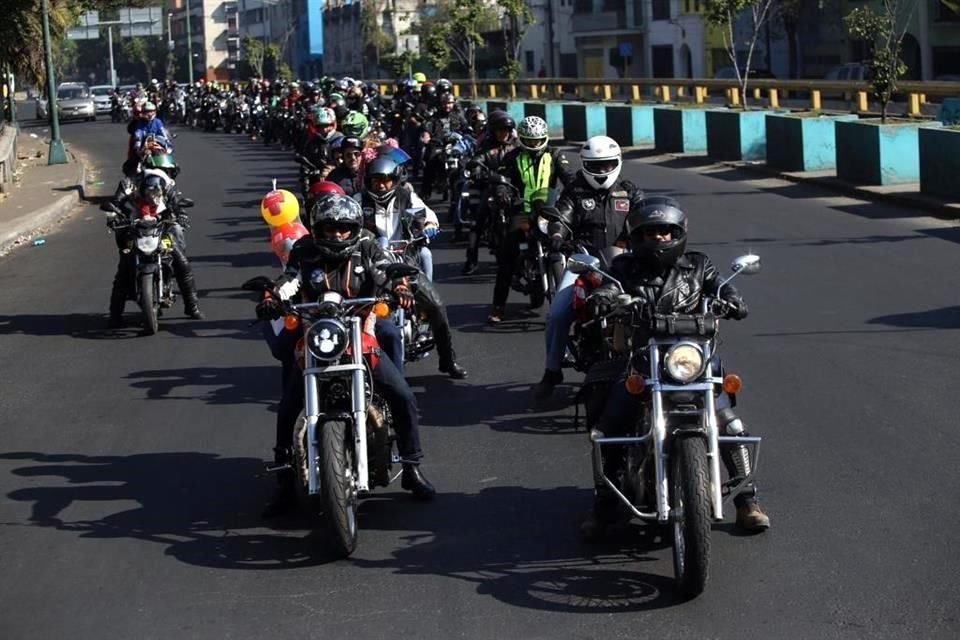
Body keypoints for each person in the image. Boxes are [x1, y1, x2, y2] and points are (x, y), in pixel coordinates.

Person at [579, 200, 770, 539]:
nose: (660, 238)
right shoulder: (623, 268)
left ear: (679, 234)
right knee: (608, 427)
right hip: (643, 360)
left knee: (730, 424)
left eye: (666, 231)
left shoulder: (697, 265)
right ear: (637, 236)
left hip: (692, 360)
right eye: (651, 232)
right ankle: (604, 503)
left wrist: (733, 299)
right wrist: (604, 299)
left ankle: (747, 502)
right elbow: (608, 288)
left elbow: (721, 286)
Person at [258, 195, 436, 515]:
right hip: (317, 333)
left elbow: (382, 269)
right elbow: (291, 279)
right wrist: (273, 296)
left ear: (353, 228)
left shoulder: (366, 245)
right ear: (317, 228)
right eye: (330, 228)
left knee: (401, 393)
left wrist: (399, 287)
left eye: (343, 228)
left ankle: (411, 467)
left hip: (360, 330)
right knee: (287, 406)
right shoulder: (305, 249)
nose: (337, 234)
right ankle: (284, 479)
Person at [533, 136, 643, 401]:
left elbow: (646, 217)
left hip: (623, 263)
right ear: (584, 165)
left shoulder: (629, 192)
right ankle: (552, 371)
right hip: (583, 261)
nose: (603, 171)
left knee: (648, 306)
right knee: (558, 314)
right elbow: (561, 216)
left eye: (607, 165)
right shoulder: (574, 191)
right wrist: (557, 234)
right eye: (596, 165)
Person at [356, 155, 468, 379]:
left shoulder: (406, 197)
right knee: (356, 310)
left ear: (394, 179)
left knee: (436, 306)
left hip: (405, 263)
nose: (381, 185)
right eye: (376, 180)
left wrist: (428, 226)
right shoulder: (359, 201)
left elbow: (428, 215)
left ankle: (448, 359)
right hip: (371, 267)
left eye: (386, 180)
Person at [487, 115, 574, 323]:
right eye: (530, 140)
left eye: (537, 140)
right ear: (522, 139)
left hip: (549, 211)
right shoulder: (513, 156)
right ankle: (498, 306)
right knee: (507, 256)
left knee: (571, 245)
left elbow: (569, 177)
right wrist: (502, 191)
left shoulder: (556, 155)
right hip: (522, 211)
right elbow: (503, 178)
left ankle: (577, 303)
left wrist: (576, 191)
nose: (534, 144)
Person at [107, 172, 204, 327]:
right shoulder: (127, 186)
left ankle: (192, 306)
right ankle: (114, 315)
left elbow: (177, 204)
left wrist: (182, 215)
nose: (153, 196)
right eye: (149, 192)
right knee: (123, 269)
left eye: (156, 192)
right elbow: (115, 205)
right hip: (134, 231)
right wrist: (113, 217)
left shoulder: (166, 187)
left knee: (182, 263)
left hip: (161, 231)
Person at [462, 110, 518, 275]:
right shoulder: (486, 146)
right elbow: (476, 161)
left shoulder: (517, 145)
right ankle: (471, 260)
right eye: (499, 130)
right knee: (477, 221)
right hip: (492, 187)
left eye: (506, 130)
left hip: (513, 188)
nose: (503, 133)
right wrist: (477, 170)